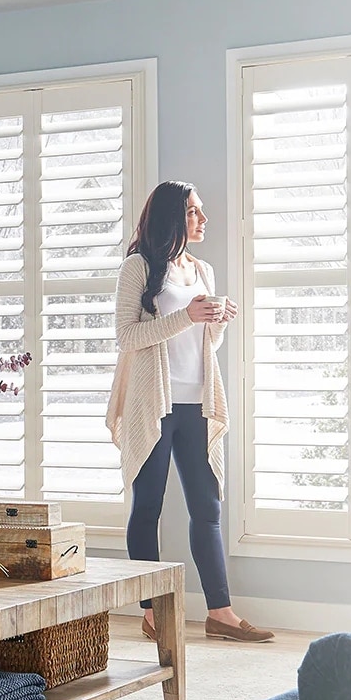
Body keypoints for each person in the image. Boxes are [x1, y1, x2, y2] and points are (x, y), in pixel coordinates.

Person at [105, 180, 274, 643]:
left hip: (197, 401)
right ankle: (153, 613)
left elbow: (204, 345)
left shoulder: (203, 269)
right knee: (149, 508)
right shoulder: (138, 268)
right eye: (195, 211)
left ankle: (220, 613)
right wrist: (188, 316)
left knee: (208, 508)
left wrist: (216, 322)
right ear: (172, 217)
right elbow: (126, 338)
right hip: (152, 404)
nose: (204, 219)